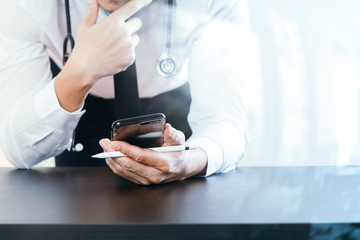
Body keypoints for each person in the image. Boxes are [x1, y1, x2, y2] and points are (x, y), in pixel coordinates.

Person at [0, 0, 249, 184]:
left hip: (177, 124)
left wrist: (190, 160)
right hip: (79, 127)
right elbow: (19, 151)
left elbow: (225, 123)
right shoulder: (25, 5)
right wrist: (79, 74)